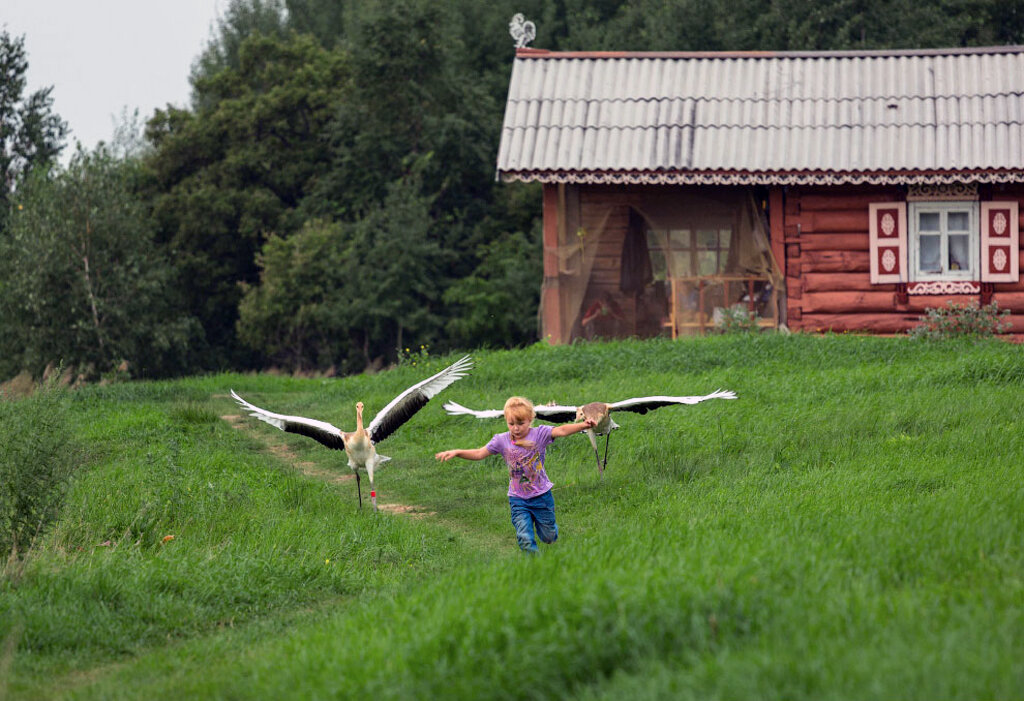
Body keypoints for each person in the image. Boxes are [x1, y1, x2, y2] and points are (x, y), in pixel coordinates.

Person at [435, 396, 596, 553]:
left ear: (530, 419)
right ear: (506, 420)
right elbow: (478, 453)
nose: (516, 428)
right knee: (524, 536)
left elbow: (561, 430)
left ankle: (549, 531)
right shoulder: (501, 440)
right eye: (511, 424)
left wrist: (583, 425)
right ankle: (534, 564)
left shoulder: (540, 434)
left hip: (541, 496)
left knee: (549, 537)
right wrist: (457, 452)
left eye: (520, 423)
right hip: (518, 499)